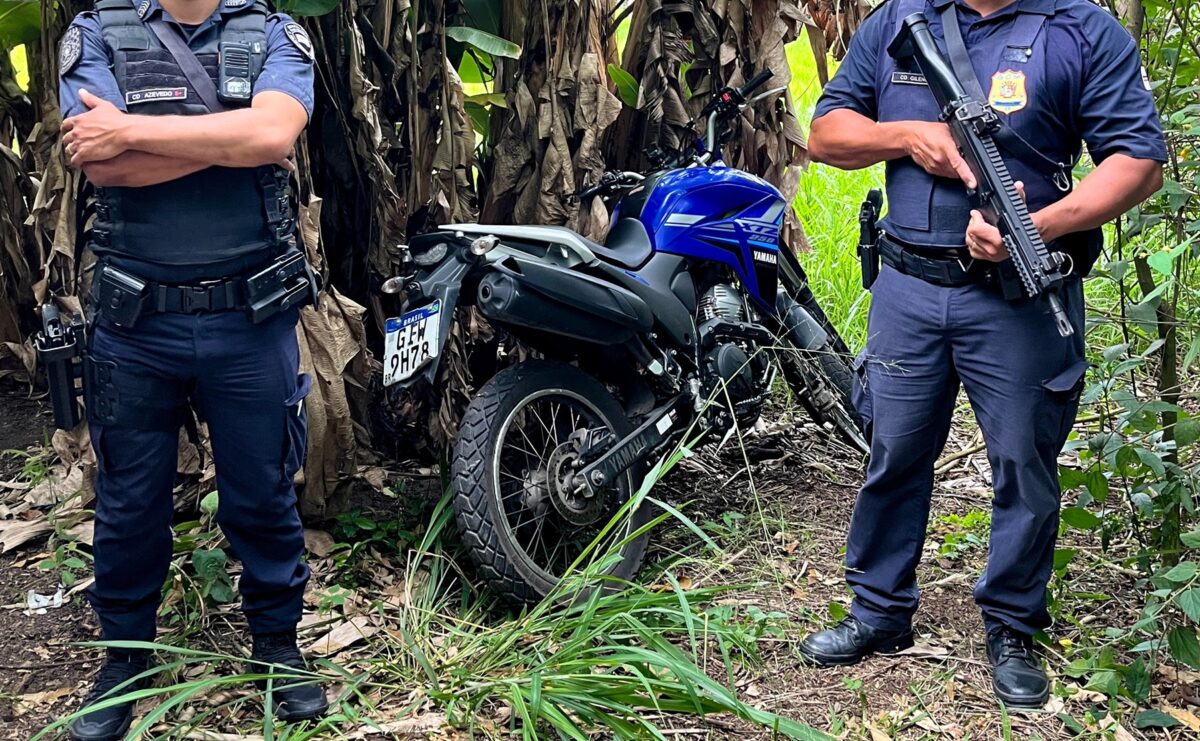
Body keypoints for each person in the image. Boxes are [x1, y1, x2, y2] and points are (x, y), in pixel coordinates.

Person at [798, 0, 1165, 708]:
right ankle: (878, 610)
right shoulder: (899, 19)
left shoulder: (1080, 29)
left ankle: (1012, 627)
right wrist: (907, 136)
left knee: (1025, 463)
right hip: (907, 287)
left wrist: (1038, 224)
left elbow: (1139, 161)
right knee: (893, 450)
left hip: (1019, 293)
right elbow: (824, 135)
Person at [57, 0, 325, 738]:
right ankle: (124, 661)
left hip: (251, 315)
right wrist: (234, 140)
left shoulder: (271, 32)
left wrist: (135, 129)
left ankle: (277, 645)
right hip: (136, 323)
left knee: (262, 493)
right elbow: (101, 161)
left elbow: (275, 131)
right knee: (130, 502)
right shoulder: (97, 32)